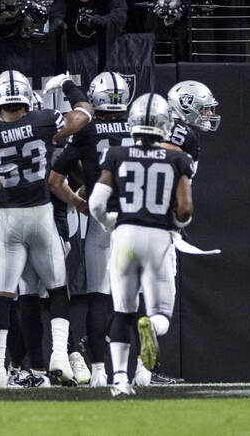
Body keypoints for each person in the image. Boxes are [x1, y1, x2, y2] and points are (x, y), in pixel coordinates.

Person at [0, 71, 93, 389]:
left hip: (10, 218)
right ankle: (60, 355)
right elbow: (83, 115)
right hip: (43, 217)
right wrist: (70, 87)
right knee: (57, 290)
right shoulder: (43, 122)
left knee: (3, 297)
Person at [90, 94, 194, 398]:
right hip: (158, 236)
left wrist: (111, 223)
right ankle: (151, 326)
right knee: (161, 312)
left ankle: (119, 381)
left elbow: (97, 202)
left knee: (122, 311)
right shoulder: (178, 159)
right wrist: (177, 224)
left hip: (125, 235)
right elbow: (185, 209)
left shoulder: (117, 154)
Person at [47, 72, 133, 389]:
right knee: (133, 297)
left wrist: (80, 202)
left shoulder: (87, 131)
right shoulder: (139, 128)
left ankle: (98, 370)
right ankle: (138, 370)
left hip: (102, 219)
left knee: (99, 296)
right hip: (137, 220)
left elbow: (56, 180)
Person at [48, 0, 128, 77]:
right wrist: (57, 20)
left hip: (102, 50)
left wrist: (105, 20)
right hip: (72, 50)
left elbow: (120, 12)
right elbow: (58, 7)